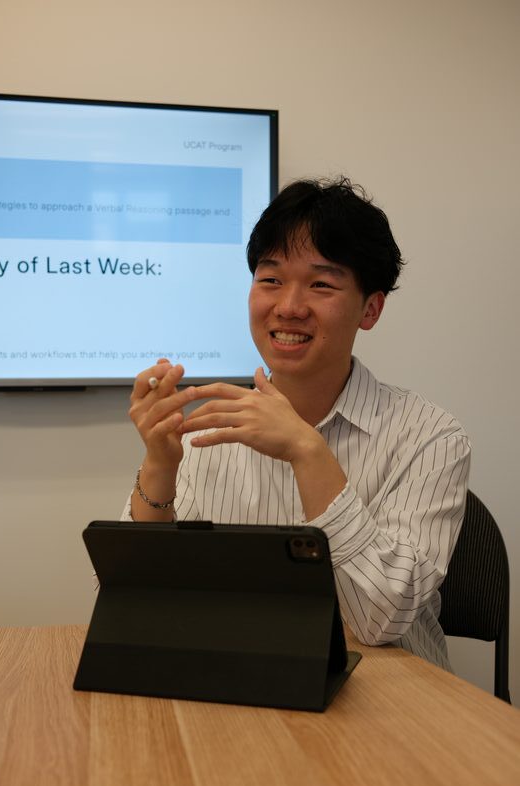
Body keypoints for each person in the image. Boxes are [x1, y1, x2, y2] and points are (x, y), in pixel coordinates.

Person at [123, 177, 470, 670]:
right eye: (270, 279)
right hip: (238, 681)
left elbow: (380, 621)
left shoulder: (431, 437)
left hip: (391, 699)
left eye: (321, 284)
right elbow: (132, 601)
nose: (288, 306)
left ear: (370, 308)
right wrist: (160, 463)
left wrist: (307, 451)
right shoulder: (209, 429)